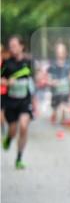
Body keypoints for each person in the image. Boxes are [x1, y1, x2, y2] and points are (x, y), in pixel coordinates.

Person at [1, 35, 35, 169]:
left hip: (25, 101)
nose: (13, 49)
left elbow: (36, 78)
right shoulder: (6, 63)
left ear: (22, 46)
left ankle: (19, 158)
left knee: (24, 126)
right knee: (13, 130)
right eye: (11, 46)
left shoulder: (29, 62)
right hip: (11, 101)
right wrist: (6, 82)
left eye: (15, 46)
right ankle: (9, 139)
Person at [48, 42, 70, 129]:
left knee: (64, 106)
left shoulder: (69, 65)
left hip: (65, 91)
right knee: (55, 107)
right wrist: (52, 82)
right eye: (58, 52)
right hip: (55, 92)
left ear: (66, 53)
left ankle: (62, 120)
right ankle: (55, 114)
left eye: (62, 51)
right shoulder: (52, 66)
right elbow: (48, 78)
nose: (60, 54)